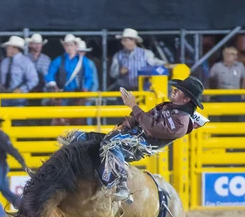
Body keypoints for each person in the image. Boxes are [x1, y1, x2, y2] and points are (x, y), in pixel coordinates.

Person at [69, 77, 207, 203]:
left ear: (186, 99)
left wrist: (134, 106)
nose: (174, 90)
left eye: (179, 90)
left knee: (111, 145)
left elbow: (153, 128)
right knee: (78, 137)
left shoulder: (181, 122)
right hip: (128, 136)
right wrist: (122, 126)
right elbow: (143, 118)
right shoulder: (167, 106)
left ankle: (121, 184)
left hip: (141, 144)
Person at [208, 46, 245, 121]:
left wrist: (243, 91)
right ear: (226, 55)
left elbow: (244, 78)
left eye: (236, 55)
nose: (236, 57)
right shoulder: (217, 66)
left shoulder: (240, 66)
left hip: (236, 94)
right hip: (222, 94)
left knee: (235, 116)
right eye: (233, 54)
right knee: (224, 116)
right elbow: (210, 79)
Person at [0, 36, 38, 106]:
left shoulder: (26, 62)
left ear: (15, 48)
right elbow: (1, 79)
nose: (6, 49)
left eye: (8, 47)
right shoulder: (4, 62)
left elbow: (34, 80)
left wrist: (22, 89)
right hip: (3, 99)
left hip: (19, 100)